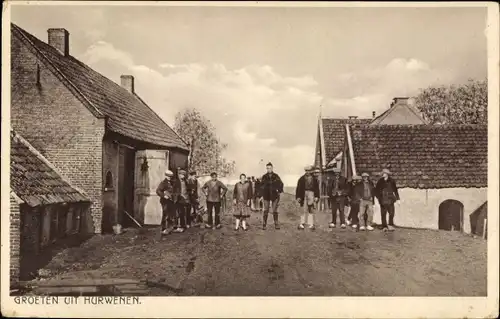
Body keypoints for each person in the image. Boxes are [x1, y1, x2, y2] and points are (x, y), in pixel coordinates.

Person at [261, 162, 284, 230]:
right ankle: (264, 224)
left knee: (274, 210)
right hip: (266, 196)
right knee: (266, 210)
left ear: (272, 168)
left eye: (270, 168)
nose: (269, 169)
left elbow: (281, 184)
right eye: (267, 168)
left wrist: (279, 191)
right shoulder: (264, 176)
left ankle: (276, 224)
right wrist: (262, 194)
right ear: (266, 169)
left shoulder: (276, 176)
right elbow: (261, 186)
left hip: (274, 196)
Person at [295, 165, 320, 230]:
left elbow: (317, 189)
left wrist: (317, 196)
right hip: (303, 194)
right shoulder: (301, 179)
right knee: (303, 209)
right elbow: (298, 188)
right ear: (305, 171)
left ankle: (311, 224)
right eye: (306, 171)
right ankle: (301, 224)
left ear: (311, 171)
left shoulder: (314, 179)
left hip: (311, 193)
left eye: (309, 170)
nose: (308, 172)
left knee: (310, 208)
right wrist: (298, 197)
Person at [156, 169, 175, 235]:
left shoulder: (171, 182)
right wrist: (164, 196)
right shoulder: (163, 183)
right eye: (169, 176)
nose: (170, 178)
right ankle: (164, 228)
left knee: (170, 214)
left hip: (170, 201)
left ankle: (168, 228)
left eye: (171, 177)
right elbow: (158, 191)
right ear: (166, 176)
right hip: (164, 201)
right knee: (165, 214)